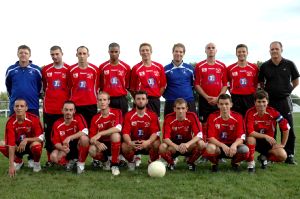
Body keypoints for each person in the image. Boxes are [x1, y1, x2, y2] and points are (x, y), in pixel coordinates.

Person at [258, 41, 299, 164]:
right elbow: (261, 83)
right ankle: (271, 154)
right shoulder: (264, 66)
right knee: (270, 129)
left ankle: (289, 154)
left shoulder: (289, 64)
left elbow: (296, 81)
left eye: (276, 48)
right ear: (269, 51)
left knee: (288, 127)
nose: (274, 51)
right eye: (272, 49)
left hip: (284, 101)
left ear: (281, 49)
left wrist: (287, 91)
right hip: (270, 102)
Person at [245, 90, 289, 172]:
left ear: (267, 102)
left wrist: (283, 144)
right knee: (251, 138)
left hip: (269, 142)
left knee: (283, 156)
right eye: (259, 101)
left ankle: (264, 157)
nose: (261, 104)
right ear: (255, 102)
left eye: (263, 101)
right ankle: (251, 163)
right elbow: (250, 132)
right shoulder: (250, 112)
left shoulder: (273, 112)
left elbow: (285, 127)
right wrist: (266, 136)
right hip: (255, 141)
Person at [0, 99, 44, 177]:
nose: (19, 108)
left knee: (37, 145)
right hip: (18, 147)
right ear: (13, 108)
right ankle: (18, 161)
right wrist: (11, 165)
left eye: (22, 106)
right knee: (2, 144)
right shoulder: (10, 122)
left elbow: (41, 137)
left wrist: (26, 140)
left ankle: (36, 163)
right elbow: (10, 144)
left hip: (31, 146)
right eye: (17, 106)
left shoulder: (34, 119)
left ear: (26, 108)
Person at [159, 98, 206, 171]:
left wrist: (187, 144)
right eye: (178, 108)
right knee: (162, 147)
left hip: (188, 145)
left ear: (186, 109)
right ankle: (171, 163)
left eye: (183, 108)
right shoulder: (168, 117)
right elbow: (165, 138)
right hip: (173, 146)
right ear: (174, 109)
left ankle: (191, 162)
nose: (180, 111)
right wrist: (176, 146)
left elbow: (199, 134)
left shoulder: (192, 116)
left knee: (202, 144)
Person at [205, 94, 249, 172]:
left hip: (233, 147)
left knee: (245, 150)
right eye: (221, 104)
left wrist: (234, 145)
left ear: (231, 105)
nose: (224, 106)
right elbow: (210, 138)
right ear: (218, 105)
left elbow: (241, 137)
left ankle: (235, 163)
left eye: (226, 104)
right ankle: (214, 164)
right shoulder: (212, 116)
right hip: (219, 146)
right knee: (210, 148)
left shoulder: (238, 117)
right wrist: (222, 145)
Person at [42, 45, 70, 166]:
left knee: (64, 134)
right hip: (49, 108)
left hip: (63, 110)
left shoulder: (69, 69)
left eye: (57, 54)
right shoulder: (45, 70)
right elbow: (43, 87)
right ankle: (50, 159)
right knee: (49, 135)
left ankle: (65, 159)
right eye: (52, 54)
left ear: (62, 53)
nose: (55, 56)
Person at [121, 90, 161, 171]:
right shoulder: (128, 115)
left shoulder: (152, 115)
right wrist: (129, 142)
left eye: (143, 99)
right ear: (134, 101)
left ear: (147, 101)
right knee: (124, 146)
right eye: (138, 99)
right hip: (134, 143)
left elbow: (155, 133)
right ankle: (131, 162)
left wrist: (148, 142)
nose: (141, 101)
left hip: (147, 143)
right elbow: (125, 133)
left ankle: (151, 162)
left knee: (157, 143)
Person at [194, 43, 227, 137]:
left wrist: (218, 98)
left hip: (218, 101)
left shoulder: (222, 66)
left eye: (213, 48)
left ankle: (217, 144)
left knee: (218, 122)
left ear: (216, 50)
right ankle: (205, 146)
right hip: (204, 100)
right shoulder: (199, 66)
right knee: (204, 123)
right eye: (208, 48)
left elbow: (225, 84)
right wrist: (206, 97)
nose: (211, 49)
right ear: (205, 51)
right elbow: (196, 84)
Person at [50, 101, 89, 174]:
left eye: (71, 110)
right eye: (66, 109)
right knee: (53, 157)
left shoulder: (79, 117)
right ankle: (69, 162)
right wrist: (62, 148)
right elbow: (55, 142)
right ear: (62, 110)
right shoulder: (57, 123)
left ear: (74, 111)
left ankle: (80, 164)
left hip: (78, 146)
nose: (68, 112)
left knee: (84, 138)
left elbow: (85, 131)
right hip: (65, 148)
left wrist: (69, 137)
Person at [89, 92, 122, 176]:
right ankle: (106, 162)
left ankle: (114, 165)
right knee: (91, 149)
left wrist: (101, 133)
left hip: (116, 144)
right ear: (97, 102)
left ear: (109, 101)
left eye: (104, 100)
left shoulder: (117, 112)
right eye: (100, 100)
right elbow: (91, 138)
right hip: (102, 146)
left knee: (115, 135)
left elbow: (118, 128)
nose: (102, 102)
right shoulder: (95, 118)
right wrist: (97, 142)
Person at [130, 43, 166, 117]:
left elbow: (163, 85)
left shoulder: (159, 67)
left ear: (151, 51)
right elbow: (132, 88)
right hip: (140, 100)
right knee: (139, 123)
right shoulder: (136, 68)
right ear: (140, 52)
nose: (145, 52)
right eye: (143, 50)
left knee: (155, 124)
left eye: (147, 50)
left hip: (154, 100)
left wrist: (157, 95)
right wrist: (137, 98)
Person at [5, 45, 42, 117]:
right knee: (13, 128)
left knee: (34, 128)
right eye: (21, 53)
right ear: (17, 54)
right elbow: (8, 86)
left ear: (30, 55)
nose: (23, 55)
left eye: (26, 53)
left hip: (32, 105)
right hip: (15, 106)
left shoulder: (36, 70)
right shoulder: (10, 70)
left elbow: (40, 86)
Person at [68, 46, 99, 128]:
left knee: (91, 128)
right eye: (80, 53)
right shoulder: (71, 70)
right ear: (76, 55)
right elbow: (69, 87)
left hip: (91, 104)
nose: (82, 56)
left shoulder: (95, 69)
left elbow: (97, 87)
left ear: (88, 55)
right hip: (76, 104)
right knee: (76, 128)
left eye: (84, 53)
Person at [163, 43, 196, 116]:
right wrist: (168, 96)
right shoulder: (165, 69)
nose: (178, 53)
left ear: (184, 53)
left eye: (181, 52)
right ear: (173, 52)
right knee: (170, 124)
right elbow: (162, 86)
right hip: (171, 102)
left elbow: (194, 85)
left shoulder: (190, 69)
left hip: (188, 101)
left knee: (191, 125)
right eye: (176, 51)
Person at [98, 42, 131, 116]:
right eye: (112, 52)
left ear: (119, 52)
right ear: (108, 52)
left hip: (121, 99)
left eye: (116, 52)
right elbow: (100, 86)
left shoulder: (126, 67)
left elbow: (128, 85)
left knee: (123, 121)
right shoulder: (102, 67)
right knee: (108, 120)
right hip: (107, 99)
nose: (114, 54)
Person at [227, 44, 259, 116]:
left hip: (250, 98)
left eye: (243, 51)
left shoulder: (254, 68)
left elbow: (256, 83)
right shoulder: (230, 68)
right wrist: (233, 92)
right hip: (236, 98)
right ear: (236, 53)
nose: (241, 53)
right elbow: (228, 84)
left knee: (249, 118)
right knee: (237, 119)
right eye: (239, 52)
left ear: (247, 53)